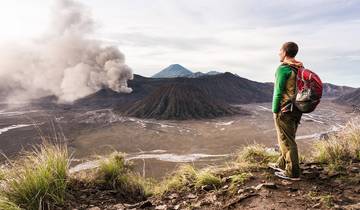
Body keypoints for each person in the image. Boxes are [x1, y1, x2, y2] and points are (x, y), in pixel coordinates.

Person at [269, 41, 303, 180]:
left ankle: (293, 172)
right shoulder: (299, 68)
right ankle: (282, 164)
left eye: (279, 50)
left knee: (288, 141)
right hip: (297, 109)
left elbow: (278, 92)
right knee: (288, 138)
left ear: (284, 52)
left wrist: (275, 110)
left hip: (285, 110)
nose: (278, 53)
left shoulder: (283, 69)